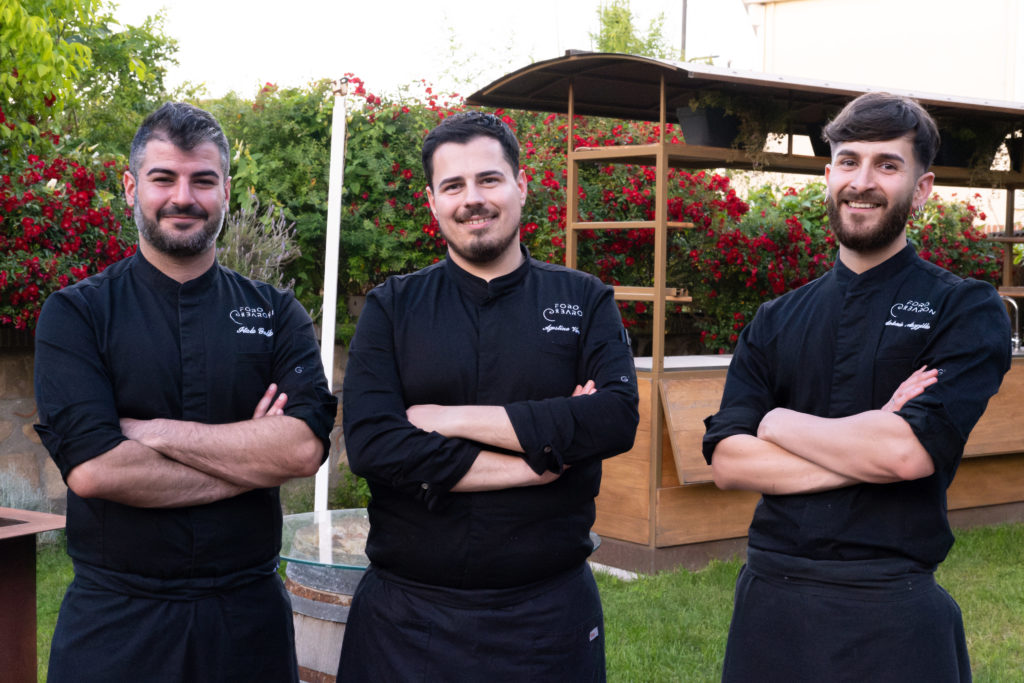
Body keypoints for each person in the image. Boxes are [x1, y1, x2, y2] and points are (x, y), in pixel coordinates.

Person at [703, 91, 1012, 681]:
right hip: (771, 607)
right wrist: (873, 444)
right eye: (849, 161)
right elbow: (729, 463)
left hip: (890, 611)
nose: (862, 181)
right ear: (828, 176)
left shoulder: (963, 308)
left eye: (887, 165)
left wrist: (777, 423)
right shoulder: (775, 318)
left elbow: (903, 452)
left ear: (921, 189)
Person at [33, 102, 338, 682]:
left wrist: (150, 433)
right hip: (116, 623)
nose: (183, 197)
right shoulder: (77, 314)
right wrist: (253, 457)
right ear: (130, 187)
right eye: (163, 178)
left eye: (202, 180)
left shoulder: (275, 312)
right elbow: (97, 472)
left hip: (248, 622)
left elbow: (302, 449)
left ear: (225, 189)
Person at [338, 111, 639, 681]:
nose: (472, 199)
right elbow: (375, 443)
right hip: (408, 622)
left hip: (547, 620)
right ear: (433, 202)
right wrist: (540, 462)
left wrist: (445, 419)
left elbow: (614, 419)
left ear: (522, 185)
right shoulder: (392, 308)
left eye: (489, 179)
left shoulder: (585, 299)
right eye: (453, 185)